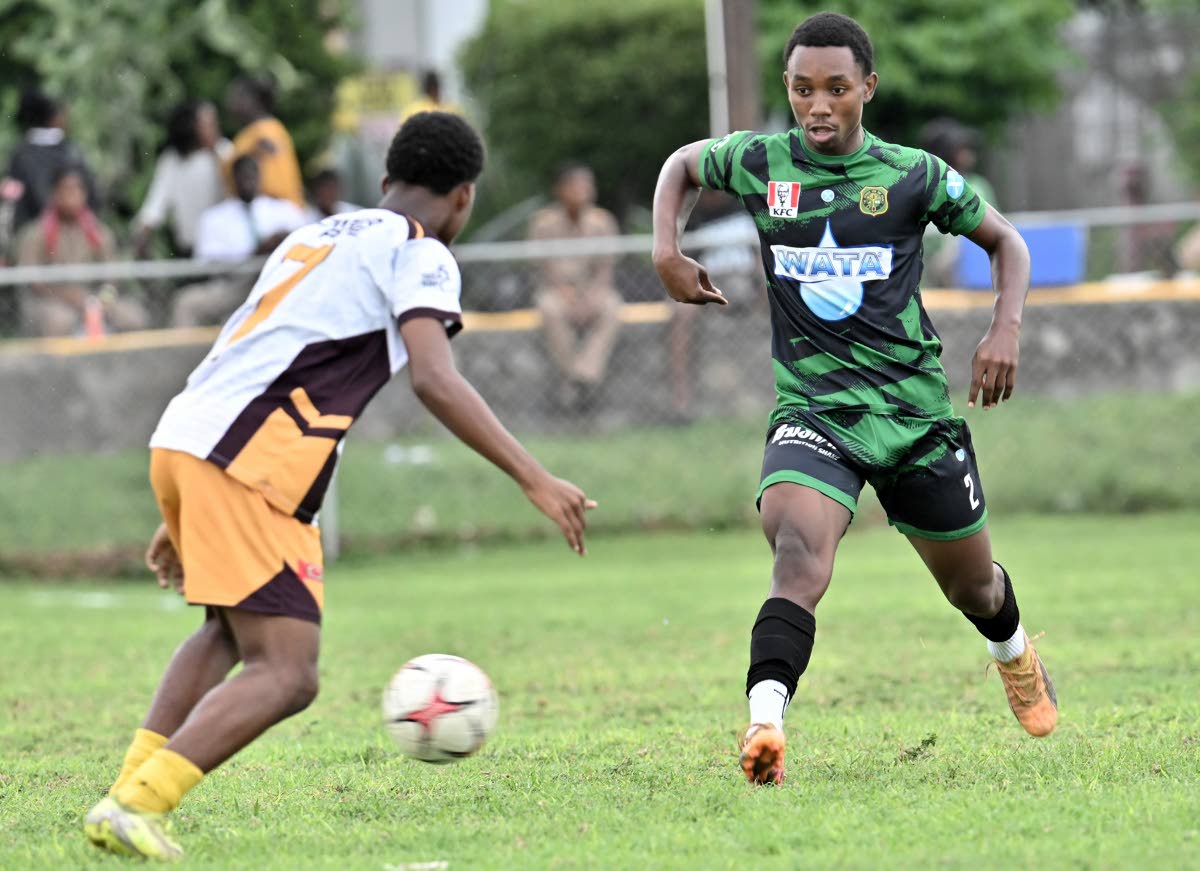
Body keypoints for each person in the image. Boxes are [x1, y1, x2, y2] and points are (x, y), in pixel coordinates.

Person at [82, 111, 595, 861]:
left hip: (195, 435)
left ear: (385, 181)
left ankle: (128, 791)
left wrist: (191, 495)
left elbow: (246, 346)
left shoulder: (313, 236)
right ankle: (136, 802)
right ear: (464, 197)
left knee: (226, 632)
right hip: (250, 459)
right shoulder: (420, 250)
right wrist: (534, 476)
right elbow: (434, 377)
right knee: (288, 672)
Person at [651, 12, 1055, 786]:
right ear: (787, 88)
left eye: (837, 88)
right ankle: (765, 723)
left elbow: (1007, 241)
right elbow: (682, 165)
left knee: (974, 586)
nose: (819, 105)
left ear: (867, 87)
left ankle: (1014, 653)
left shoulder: (911, 174)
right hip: (815, 412)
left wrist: (1005, 328)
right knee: (798, 555)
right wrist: (666, 249)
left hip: (913, 417)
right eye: (803, 89)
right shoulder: (761, 162)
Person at [528, 163, 623, 406]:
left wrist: (593, 295)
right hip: (556, 290)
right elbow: (544, 267)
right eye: (576, 185)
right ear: (560, 189)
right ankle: (575, 375)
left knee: (612, 306)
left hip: (592, 289)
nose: (584, 190)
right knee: (549, 309)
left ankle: (584, 373)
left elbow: (606, 268)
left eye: (587, 185)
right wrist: (565, 293)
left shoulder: (602, 221)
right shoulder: (544, 223)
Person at [171, 156, 306, 327]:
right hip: (234, 287)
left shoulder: (283, 211)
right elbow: (208, 265)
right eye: (242, 177)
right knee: (186, 303)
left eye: (251, 176)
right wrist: (255, 254)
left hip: (279, 284)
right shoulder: (214, 218)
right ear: (233, 180)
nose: (247, 182)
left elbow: (307, 245)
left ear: (259, 177)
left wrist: (281, 242)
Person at [14, 165, 146, 337]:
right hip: (52, 301)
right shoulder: (36, 233)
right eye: (66, 189)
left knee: (133, 317)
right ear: (54, 193)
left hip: (93, 298)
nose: (72, 195)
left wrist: (103, 299)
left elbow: (112, 276)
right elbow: (32, 280)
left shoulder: (98, 232)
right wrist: (70, 297)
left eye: (78, 190)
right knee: (59, 321)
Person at [133, 101, 234, 258]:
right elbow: (156, 204)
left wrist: (216, 155)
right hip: (190, 249)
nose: (213, 129)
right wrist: (143, 232)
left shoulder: (225, 151)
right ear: (190, 126)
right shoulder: (173, 160)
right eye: (206, 124)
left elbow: (234, 197)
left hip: (225, 247)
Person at [5, 90, 98, 238]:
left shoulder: (20, 154)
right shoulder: (72, 151)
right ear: (53, 118)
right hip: (73, 233)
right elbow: (92, 196)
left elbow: (12, 198)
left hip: (30, 235)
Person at [225, 75, 304, 207]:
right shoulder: (254, 131)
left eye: (238, 97)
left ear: (256, 100)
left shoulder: (264, 131)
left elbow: (275, 186)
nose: (232, 104)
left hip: (274, 213)